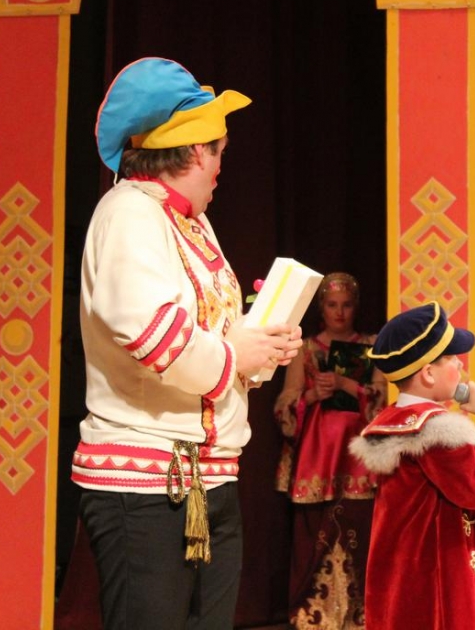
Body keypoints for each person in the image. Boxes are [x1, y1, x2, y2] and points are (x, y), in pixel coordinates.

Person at [70, 57, 303, 630]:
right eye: (219, 151)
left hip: (210, 476)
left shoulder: (192, 222)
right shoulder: (130, 213)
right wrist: (234, 354)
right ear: (197, 151)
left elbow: (212, 331)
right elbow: (150, 331)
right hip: (146, 485)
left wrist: (262, 342)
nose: (222, 167)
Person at [348, 302, 475, 630]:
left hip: (408, 586)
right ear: (428, 373)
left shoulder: (397, 420)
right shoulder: (435, 433)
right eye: (453, 358)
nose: (460, 364)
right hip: (438, 593)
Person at [273, 272, 387, 628]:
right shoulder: (305, 349)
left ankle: (359, 617)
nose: (339, 312)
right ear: (321, 307)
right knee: (314, 537)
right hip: (318, 459)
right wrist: (312, 395)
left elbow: (382, 400)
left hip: (358, 458)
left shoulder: (371, 346)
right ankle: (313, 618)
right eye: (332, 305)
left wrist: (347, 385)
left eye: (347, 305)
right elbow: (285, 403)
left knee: (360, 535)